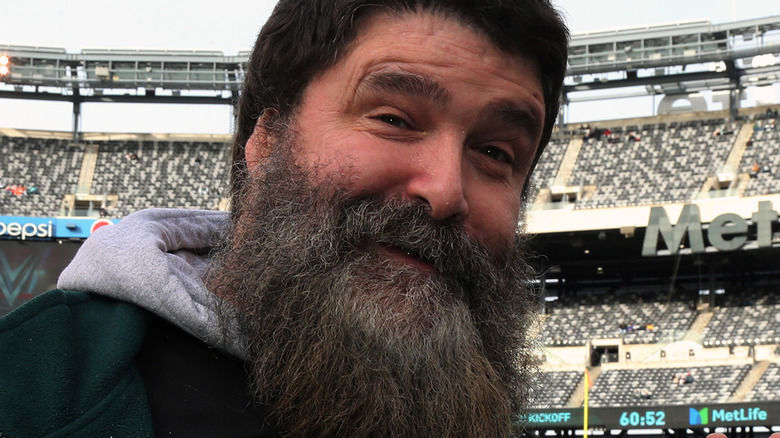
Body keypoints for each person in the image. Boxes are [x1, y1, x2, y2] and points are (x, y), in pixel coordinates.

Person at [0, 0, 569, 437]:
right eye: (394, 118)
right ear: (265, 139)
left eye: (496, 153)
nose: (446, 190)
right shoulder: (30, 385)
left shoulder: (471, 408)